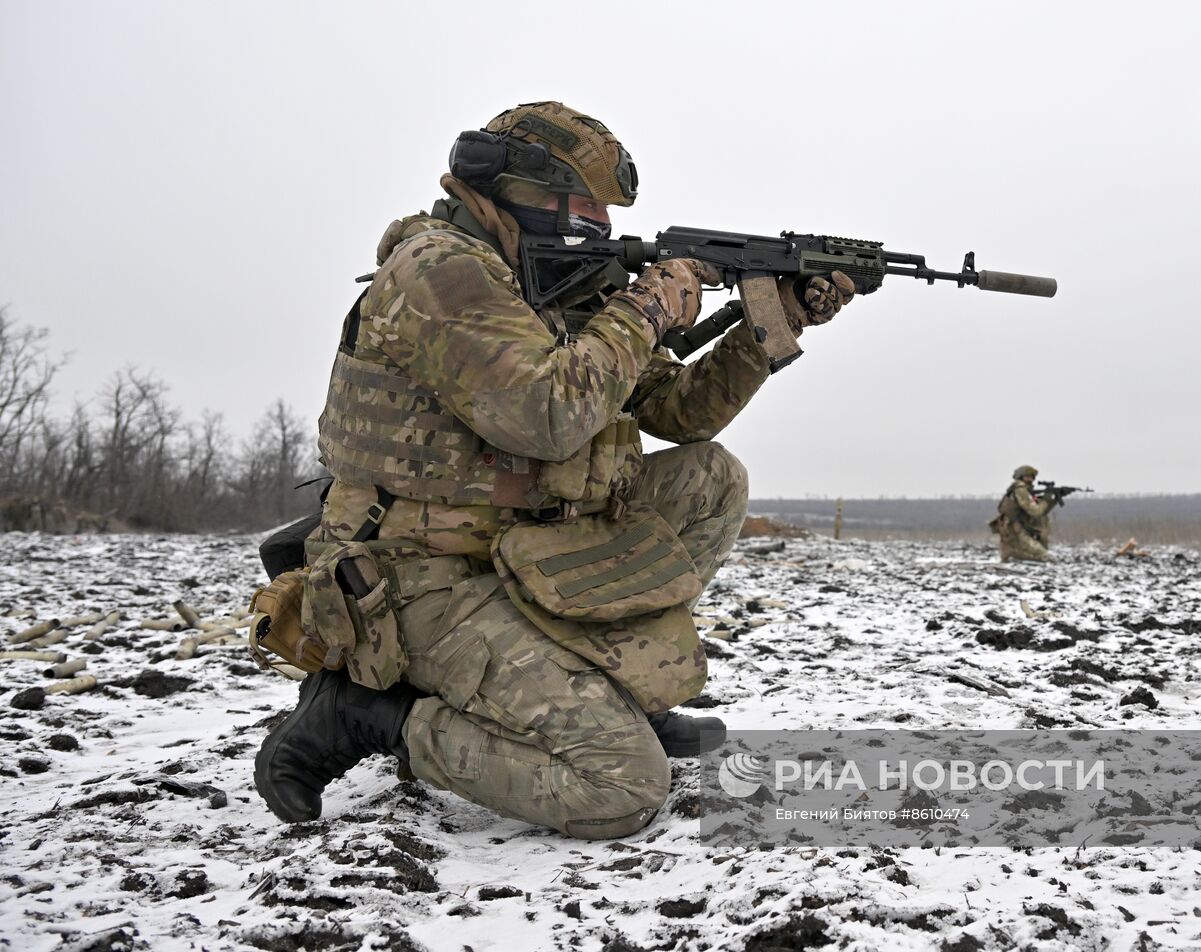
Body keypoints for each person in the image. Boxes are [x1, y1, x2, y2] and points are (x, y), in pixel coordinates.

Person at [253, 101, 858, 839]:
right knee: (621, 787)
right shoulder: (439, 271)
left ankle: (620, 696)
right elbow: (545, 416)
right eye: (584, 206)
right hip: (420, 575)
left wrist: (773, 322)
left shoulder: (557, 286)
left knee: (711, 478)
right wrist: (649, 305)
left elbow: (678, 413)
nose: (599, 224)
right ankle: (367, 716)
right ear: (519, 192)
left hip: (525, 548)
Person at [991, 464, 1057, 562]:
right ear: (1020, 477)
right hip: (1015, 529)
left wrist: (1053, 500)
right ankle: (1011, 554)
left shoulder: (1026, 491)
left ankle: (1012, 554)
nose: (1030, 479)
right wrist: (1046, 499)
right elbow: (1036, 512)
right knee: (1043, 556)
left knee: (1040, 556)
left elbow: (1042, 512)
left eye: (1032, 477)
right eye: (1027, 477)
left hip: (1021, 528)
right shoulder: (1020, 490)